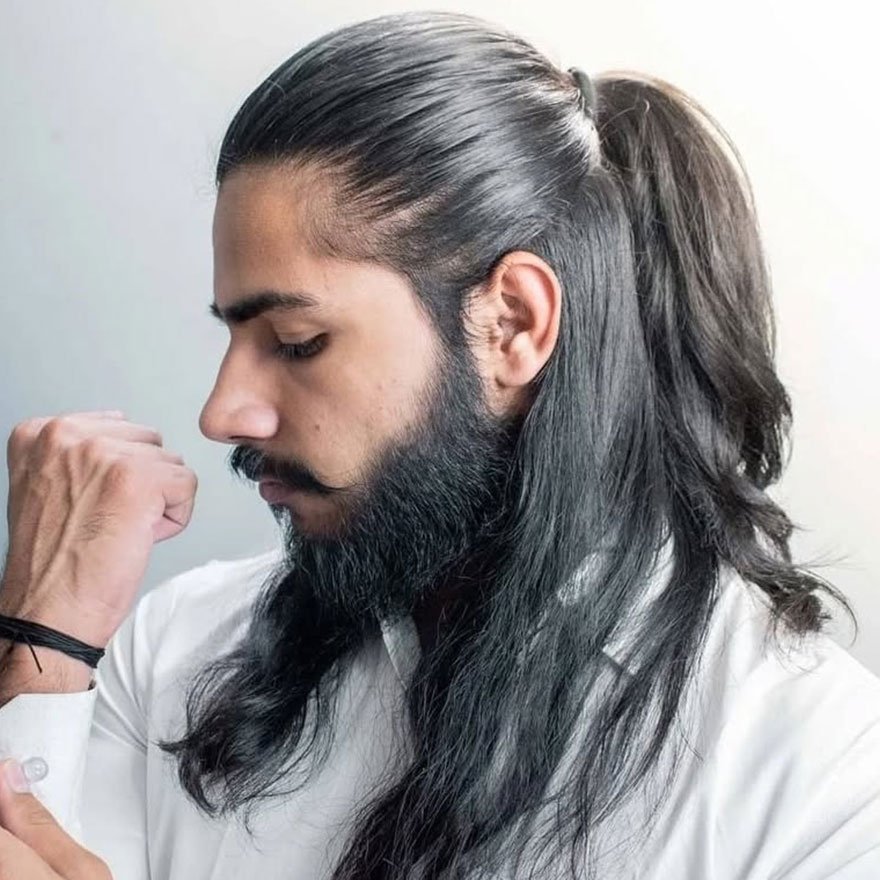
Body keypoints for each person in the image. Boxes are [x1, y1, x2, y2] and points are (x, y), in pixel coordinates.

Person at [0, 9, 878, 880]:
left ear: (512, 324)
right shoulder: (176, 649)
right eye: (232, 336)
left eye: (298, 341)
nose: (224, 412)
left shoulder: (818, 777)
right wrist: (46, 631)